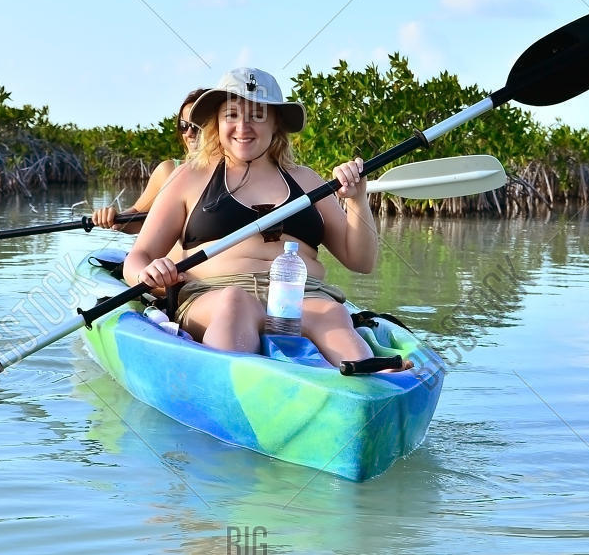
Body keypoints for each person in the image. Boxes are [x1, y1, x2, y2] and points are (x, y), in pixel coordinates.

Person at [122, 67, 410, 372]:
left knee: (331, 312)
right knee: (235, 303)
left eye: (257, 115)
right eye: (231, 115)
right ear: (216, 124)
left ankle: (372, 381)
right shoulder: (189, 177)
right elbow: (139, 257)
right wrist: (148, 272)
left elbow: (361, 261)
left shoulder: (309, 181)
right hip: (215, 292)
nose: (243, 126)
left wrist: (356, 198)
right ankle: (233, 386)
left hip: (304, 295)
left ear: (276, 123)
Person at [91, 87, 206, 233]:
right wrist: (114, 218)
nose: (189, 133)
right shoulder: (168, 170)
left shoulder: (235, 173)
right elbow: (138, 219)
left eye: (197, 126)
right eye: (183, 126)